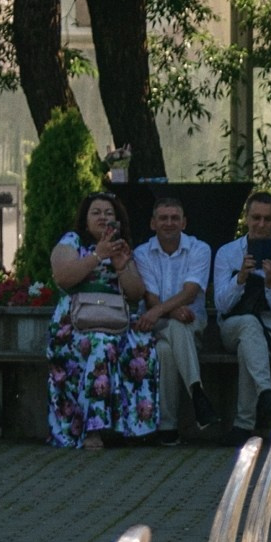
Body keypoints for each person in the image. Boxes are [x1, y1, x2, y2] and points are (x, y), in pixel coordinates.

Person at [46, 190, 159, 453]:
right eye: (96, 213)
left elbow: (135, 293)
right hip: (73, 325)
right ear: (85, 220)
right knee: (100, 345)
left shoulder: (121, 246)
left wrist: (121, 264)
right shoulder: (72, 242)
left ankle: (133, 428)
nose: (103, 217)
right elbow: (63, 277)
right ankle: (92, 430)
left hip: (115, 321)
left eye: (109, 213)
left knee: (144, 344)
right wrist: (97, 255)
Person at [211, 193, 271, 441]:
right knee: (248, 326)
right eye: (256, 218)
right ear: (246, 218)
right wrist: (239, 278)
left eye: (267, 219)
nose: (261, 225)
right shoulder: (227, 253)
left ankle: (243, 426)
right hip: (233, 323)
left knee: (249, 345)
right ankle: (266, 391)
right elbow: (220, 305)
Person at [133, 193, 215, 440]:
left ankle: (168, 427)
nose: (169, 223)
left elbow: (190, 293)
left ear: (184, 222)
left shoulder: (200, 249)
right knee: (167, 344)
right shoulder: (142, 253)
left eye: (174, 218)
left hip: (192, 321)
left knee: (170, 343)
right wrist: (166, 311)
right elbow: (149, 295)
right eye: (163, 218)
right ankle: (197, 395)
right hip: (157, 324)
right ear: (153, 223)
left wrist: (160, 310)